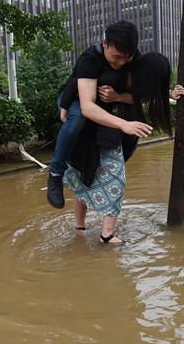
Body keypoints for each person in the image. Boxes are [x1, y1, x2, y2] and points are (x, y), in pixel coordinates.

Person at [63, 52, 182, 245]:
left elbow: (141, 96)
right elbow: (86, 101)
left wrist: (169, 93)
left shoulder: (131, 73)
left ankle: (82, 228)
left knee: (86, 176)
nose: (118, 61)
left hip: (108, 135)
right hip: (94, 132)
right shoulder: (112, 73)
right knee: (99, 177)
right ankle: (104, 234)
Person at [47, 21, 140, 209]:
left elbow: (143, 95)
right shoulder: (90, 58)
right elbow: (87, 106)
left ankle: (86, 227)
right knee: (78, 118)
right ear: (104, 43)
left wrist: (120, 96)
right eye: (117, 57)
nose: (121, 63)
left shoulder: (135, 58)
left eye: (126, 58)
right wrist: (123, 124)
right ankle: (55, 175)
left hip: (105, 107)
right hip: (74, 100)